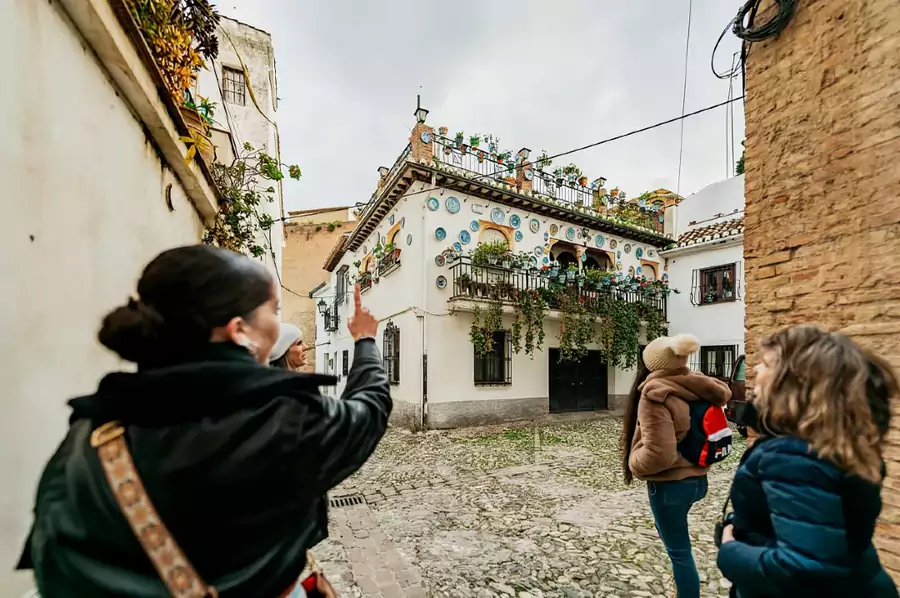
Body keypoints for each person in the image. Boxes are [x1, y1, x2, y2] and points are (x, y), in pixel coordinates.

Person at [17, 245, 390, 597]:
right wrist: (365, 341)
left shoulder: (91, 433)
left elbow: (52, 556)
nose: (278, 325)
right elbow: (369, 410)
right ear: (238, 328)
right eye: (272, 310)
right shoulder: (282, 418)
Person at [717, 325, 899, 598]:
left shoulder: (795, 455)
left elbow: (805, 568)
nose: (756, 370)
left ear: (795, 382)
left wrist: (731, 549)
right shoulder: (837, 443)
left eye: (766, 364)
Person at [621, 333, 732, 598]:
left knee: (680, 553)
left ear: (651, 363)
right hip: (699, 481)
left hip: (670, 486)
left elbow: (660, 454)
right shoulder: (700, 385)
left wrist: (634, 463)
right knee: (670, 531)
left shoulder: (655, 394)